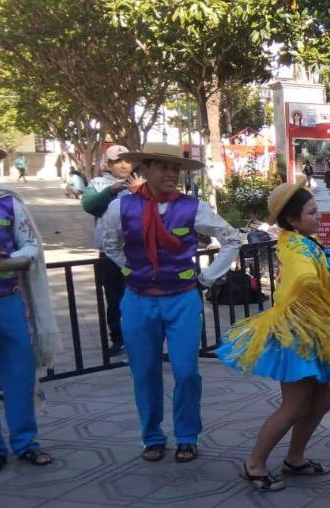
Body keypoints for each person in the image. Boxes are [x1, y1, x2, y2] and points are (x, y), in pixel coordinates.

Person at [218, 178, 330, 491]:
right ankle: (254, 464)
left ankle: (295, 458)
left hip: (314, 330)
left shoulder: (305, 242)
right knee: (294, 405)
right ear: (292, 220)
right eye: (312, 213)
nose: (318, 217)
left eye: (317, 211)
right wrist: (311, 283)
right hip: (296, 334)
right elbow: (302, 274)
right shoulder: (292, 247)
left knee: (321, 402)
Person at [100, 143, 241, 463]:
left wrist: (206, 279)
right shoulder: (120, 208)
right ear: (145, 170)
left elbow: (232, 238)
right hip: (138, 302)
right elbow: (108, 243)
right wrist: (128, 269)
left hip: (182, 301)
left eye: (175, 168)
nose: (171, 173)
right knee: (145, 372)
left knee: (187, 371)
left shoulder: (193, 207)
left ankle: (187, 436)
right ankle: (152, 437)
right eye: (162, 167)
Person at [0, 145, 61, 476]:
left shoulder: (5, 201)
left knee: (19, 375)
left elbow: (31, 244)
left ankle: (26, 443)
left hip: (5, 302)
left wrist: (12, 259)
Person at [80, 145, 142, 357]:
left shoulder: (142, 183)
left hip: (139, 252)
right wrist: (112, 190)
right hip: (110, 253)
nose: (124, 164)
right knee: (115, 297)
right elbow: (89, 206)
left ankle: (142, 336)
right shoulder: (97, 184)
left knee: (140, 295)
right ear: (108, 165)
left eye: (127, 160)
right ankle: (118, 338)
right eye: (118, 161)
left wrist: (139, 192)